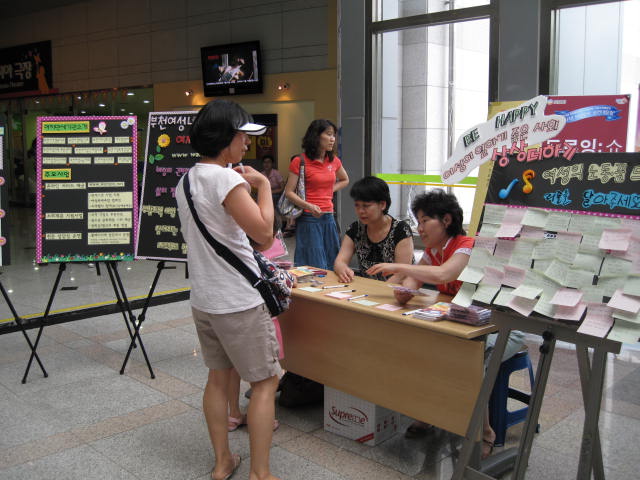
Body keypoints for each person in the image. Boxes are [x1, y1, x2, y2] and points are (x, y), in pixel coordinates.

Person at [367, 189, 523, 459]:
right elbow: (411, 286)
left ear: (447, 220)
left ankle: (486, 434)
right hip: (462, 322)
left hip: (501, 327)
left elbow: (443, 274)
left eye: (425, 220)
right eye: (419, 221)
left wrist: (401, 268)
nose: (420, 228)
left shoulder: (467, 245)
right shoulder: (432, 251)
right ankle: (429, 415)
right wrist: (403, 290)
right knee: (422, 348)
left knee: (467, 361)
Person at [176, 99, 281, 480]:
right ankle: (261, 473)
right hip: (238, 300)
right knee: (266, 382)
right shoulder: (226, 179)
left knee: (218, 379)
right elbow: (265, 235)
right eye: (242, 136)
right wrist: (264, 186)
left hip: (204, 299)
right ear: (226, 137)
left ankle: (223, 462)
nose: (245, 144)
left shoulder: (185, 180)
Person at [283, 119, 349, 269]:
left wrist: (328, 190)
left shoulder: (334, 161)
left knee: (332, 259)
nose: (333, 139)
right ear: (316, 136)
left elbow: (345, 180)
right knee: (314, 263)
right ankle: (311, 292)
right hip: (308, 218)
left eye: (334, 135)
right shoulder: (300, 161)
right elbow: (288, 192)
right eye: (329, 134)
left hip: (328, 216)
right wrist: (308, 205)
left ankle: (331, 291)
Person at [334, 176, 414, 282]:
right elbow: (340, 261)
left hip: (397, 291)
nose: (360, 211)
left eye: (366, 206)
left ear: (382, 205)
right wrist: (343, 269)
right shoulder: (355, 228)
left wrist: (379, 290)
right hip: (366, 291)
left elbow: (402, 274)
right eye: (357, 205)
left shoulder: (401, 230)